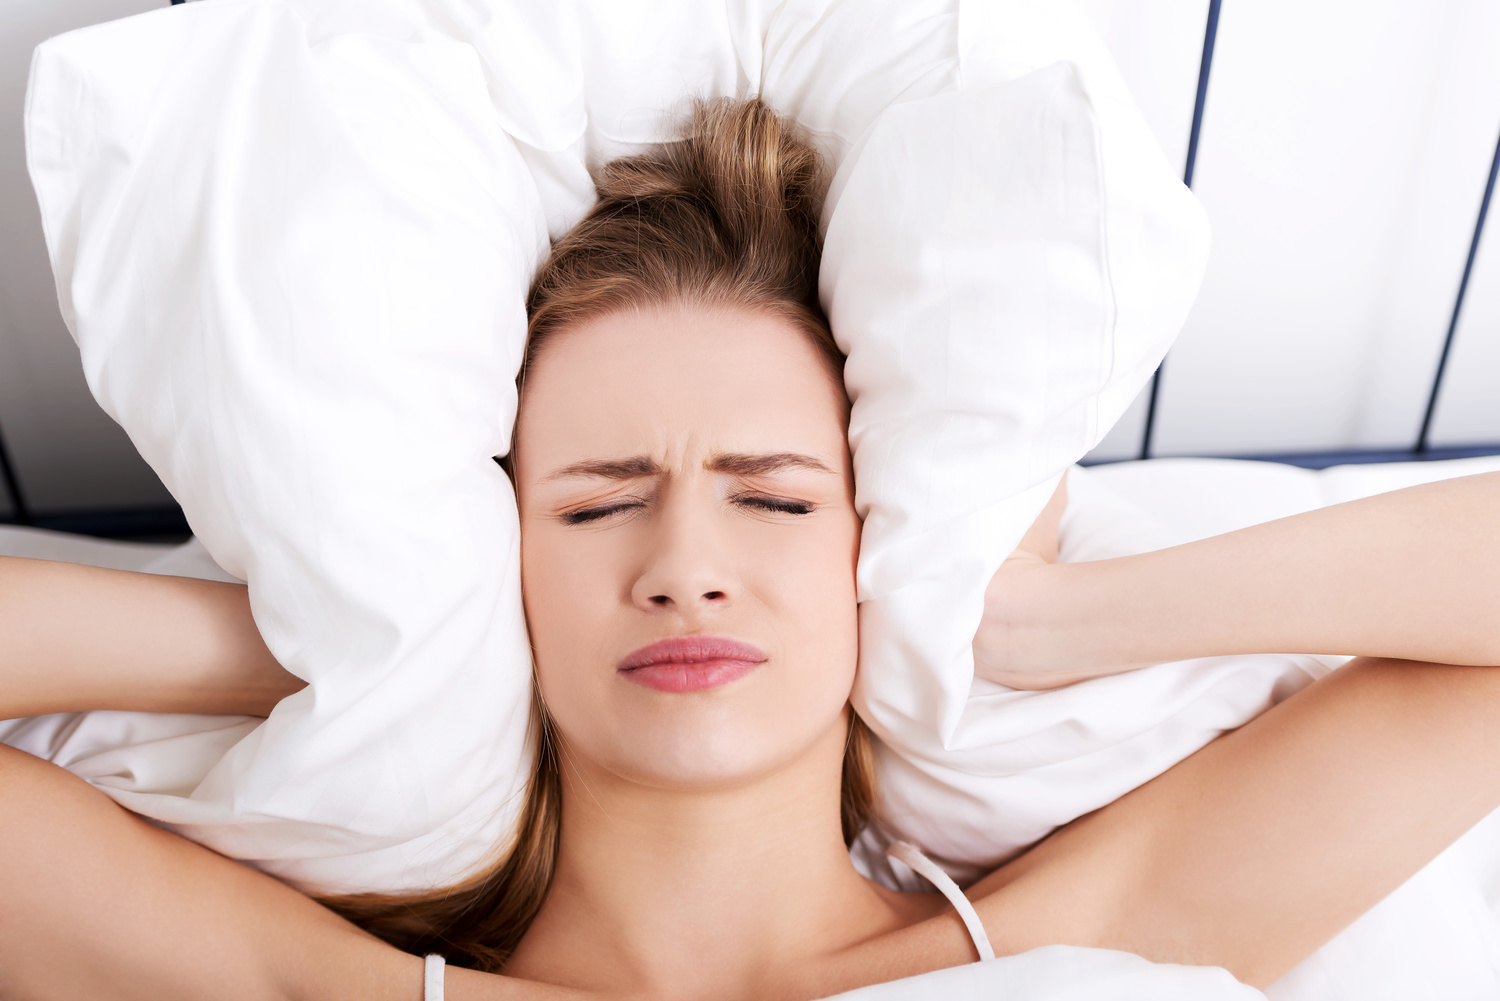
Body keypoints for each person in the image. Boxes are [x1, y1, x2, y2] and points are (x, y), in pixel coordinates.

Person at [2, 98, 1498, 1001]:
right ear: (493, 564)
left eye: (775, 499)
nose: (685, 566)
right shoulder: (296, 979)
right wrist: (347, 640)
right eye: (594, 504)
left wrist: (1029, 620)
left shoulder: (1101, 928)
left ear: (871, 547)